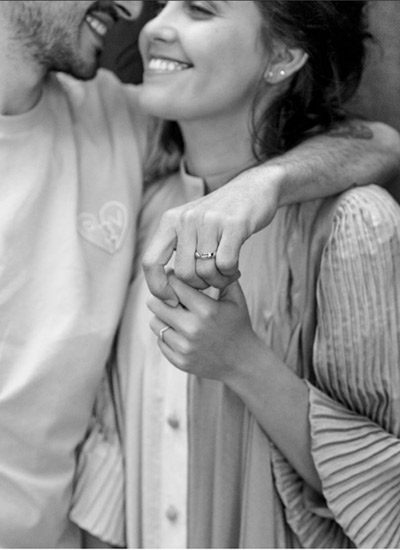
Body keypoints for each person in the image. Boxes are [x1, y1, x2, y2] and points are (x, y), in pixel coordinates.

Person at [0, 0, 399, 548]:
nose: (148, 23)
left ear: (283, 56)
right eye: (166, 6)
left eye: (199, 9)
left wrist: (263, 187)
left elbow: (380, 142)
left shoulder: (355, 225)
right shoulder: (148, 199)